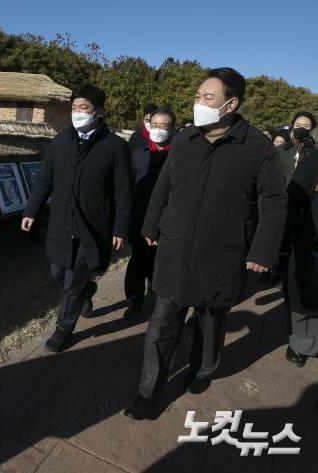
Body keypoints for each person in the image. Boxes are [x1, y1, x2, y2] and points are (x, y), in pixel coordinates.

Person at [124, 68, 288, 420]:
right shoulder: (184, 140)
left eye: (207, 97)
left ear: (231, 104)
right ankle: (148, 392)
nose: (198, 103)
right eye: (197, 96)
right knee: (160, 326)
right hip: (174, 250)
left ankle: (202, 370)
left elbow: (275, 201)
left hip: (221, 256)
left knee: (209, 325)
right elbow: (163, 187)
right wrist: (151, 225)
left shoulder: (257, 148)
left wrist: (262, 251)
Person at [22, 83, 132, 352]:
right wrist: (31, 211)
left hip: (93, 225)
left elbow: (123, 192)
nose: (77, 112)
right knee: (58, 271)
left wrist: (120, 227)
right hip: (61, 222)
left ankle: (63, 328)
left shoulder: (115, 146)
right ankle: (87, 290)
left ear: (99, 112)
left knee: (73, 279)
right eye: (74, 107)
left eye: (84, 108)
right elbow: (43, 182)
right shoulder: (60, 143)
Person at [123, 108, 176, 319]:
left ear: (172, 129)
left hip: (167, 219)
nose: (159, 130)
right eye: (155, 125)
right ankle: (134, 302)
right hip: (140, 217)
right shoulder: (138, 154)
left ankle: (156, 294)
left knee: (159, 262)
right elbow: (127, 187)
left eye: (164, 126)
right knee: (137, 260)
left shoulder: (179, 156)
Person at [281, 148, 318, 368]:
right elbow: (295, 200)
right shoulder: (314, 160)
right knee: (303, 299)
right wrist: (284, 240)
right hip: (311, 244)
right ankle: (300, 344)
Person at [278, 111, 316, 183]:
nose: (301, 128)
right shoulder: (280, 149)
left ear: (311, 129)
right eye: (297, 125)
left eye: (306, 126)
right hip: (282, 192)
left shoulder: (314, 151)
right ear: (293, 126)